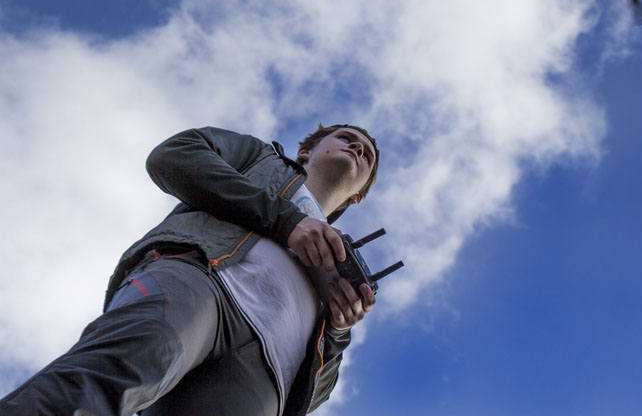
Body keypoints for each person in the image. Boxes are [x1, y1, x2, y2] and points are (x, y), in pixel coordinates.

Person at [0, 122, 381, 416]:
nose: (357, 148)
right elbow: (174, 155)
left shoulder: (342, 257)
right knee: (107, 380)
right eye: (346, 138)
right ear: (305, 151)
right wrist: (286, 221)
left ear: (359, 195)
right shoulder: (260, 157)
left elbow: (312, 395)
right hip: (201, 282)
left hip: (268, 369)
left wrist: (338, 330)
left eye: (366, 155)